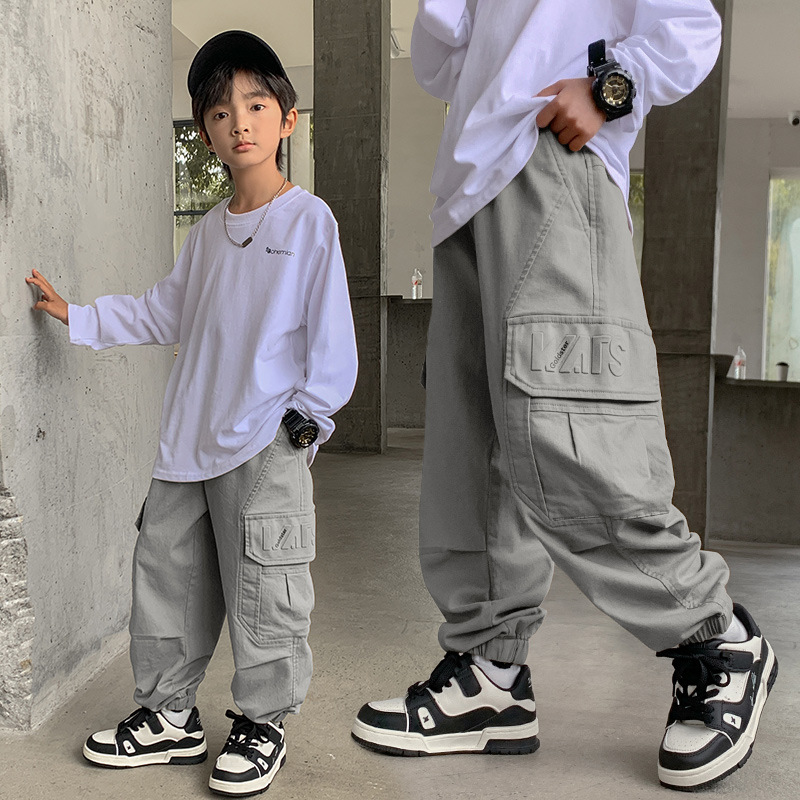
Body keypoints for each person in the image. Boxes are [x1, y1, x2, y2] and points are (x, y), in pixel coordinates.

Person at [351, 1, 777, 791]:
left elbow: (690, 24)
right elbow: (440, 61)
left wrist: (613, 85)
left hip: (552, 152)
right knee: (472, 452)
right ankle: (490, 674)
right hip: (468, 184)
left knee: (568, 432)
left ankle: (714, 637)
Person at [26, 30, 357, 797]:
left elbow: (332, 339)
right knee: (167, 581)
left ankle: (264, 722)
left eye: (256, 104)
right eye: (219, 111)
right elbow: (161, 311)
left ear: (287, 118)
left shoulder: (309, 222)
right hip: (187, 441)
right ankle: (169, 715)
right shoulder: (207, 234)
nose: (239, 122)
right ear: (204, 133)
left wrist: (305, 423)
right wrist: (78, 315)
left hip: (263, 440)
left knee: (264, 587)